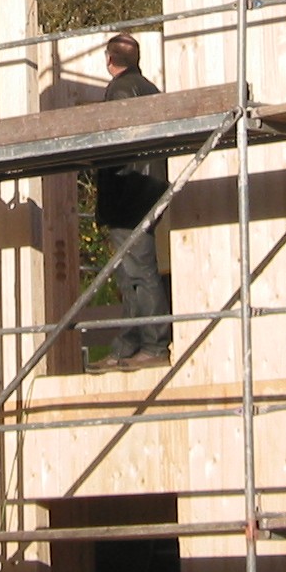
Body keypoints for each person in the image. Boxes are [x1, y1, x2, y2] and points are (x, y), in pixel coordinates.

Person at [94, 33, 171, 369]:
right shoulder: (150, 89)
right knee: (130, 273)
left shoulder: (121, 90)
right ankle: (128, 345)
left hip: (129, 192)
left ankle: (154, 346)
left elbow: (116, 144)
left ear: (110, 60)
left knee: (139, 271)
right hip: (145, 188)